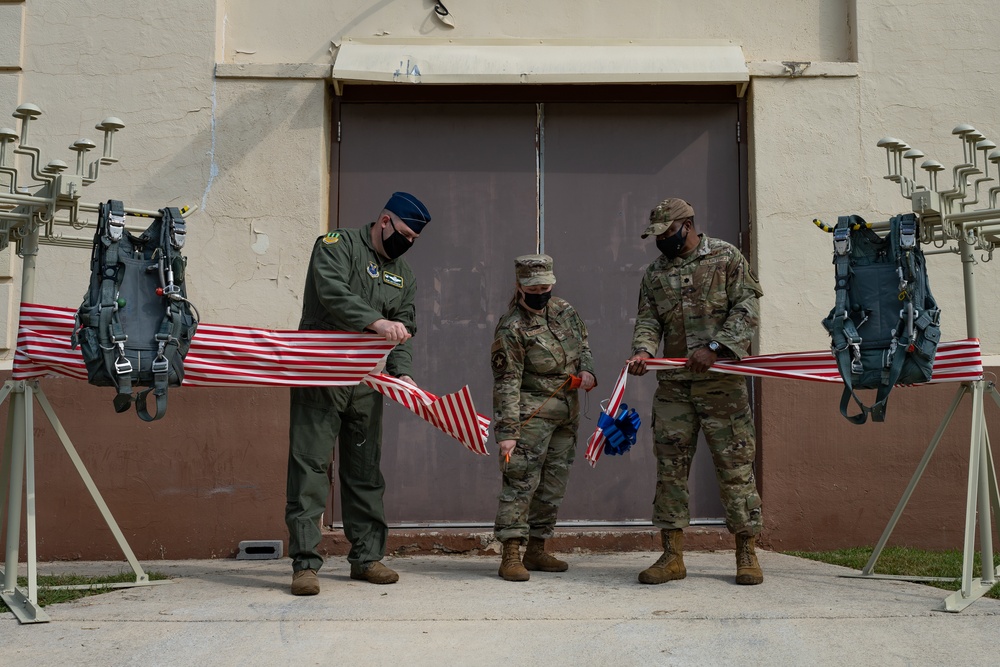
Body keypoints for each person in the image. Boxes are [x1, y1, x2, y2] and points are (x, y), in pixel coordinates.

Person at [286, 191, 430, 596]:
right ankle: (305, 564)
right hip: (321, 375)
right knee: (310, 467)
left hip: (368, 383)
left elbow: (405, 327)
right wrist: (374, 322)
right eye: (404, 233)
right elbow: (331, 293)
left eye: (415, 240)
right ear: (384, 220)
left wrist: (402, 374)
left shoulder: (404, 274)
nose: (408, 243)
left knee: (365, 471)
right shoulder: (337, 246)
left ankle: (367, 558)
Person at [625, 197, 765, 586]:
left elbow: (747, 309)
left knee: (735, 468)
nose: (661, 241)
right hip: (674, 388)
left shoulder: (725, 257)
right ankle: (672, 556)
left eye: (667, 233)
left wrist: (716, 348)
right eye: (656, 236)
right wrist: (642, 350)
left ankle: (746, 552)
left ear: (688, 225)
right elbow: (649, 319)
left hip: (722, 386)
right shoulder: (655, 274)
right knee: (670, 471)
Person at [490, 254, 597, 582]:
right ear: (520, 287)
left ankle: (536, 548)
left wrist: (587, 371)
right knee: (520, 482)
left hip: (567, 415)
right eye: (534, 287)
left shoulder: (565, 311)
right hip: (530, 418)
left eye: (546, 286)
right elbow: (507, 382)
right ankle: (511, 552)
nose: (542, 292)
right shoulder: (512, 328)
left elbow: (584, 346)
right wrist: (507, 432)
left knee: (553, 484)